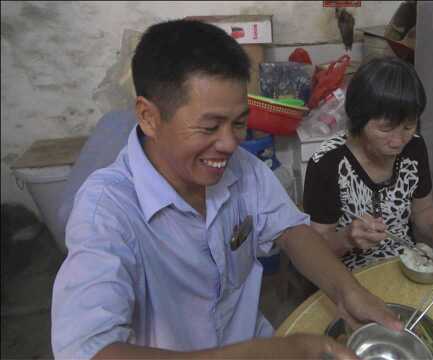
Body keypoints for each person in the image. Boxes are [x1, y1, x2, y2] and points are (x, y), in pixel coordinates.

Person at [51, 20, 402, 359]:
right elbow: (91, 350)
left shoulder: (242, 170)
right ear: (149, 117)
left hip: (254, 341)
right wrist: (257, 355)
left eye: (238, 123)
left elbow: (291, 229)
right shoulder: (106, 212)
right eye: (209, 127)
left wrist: (347, 290)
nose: (230, 144)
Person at [303, 57, 433, 271]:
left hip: (406, 263)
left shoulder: (414, 147)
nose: (398, 142)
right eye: (385, 129)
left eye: (408, 126)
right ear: (359, 119)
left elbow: (424, 211)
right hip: (347, 275)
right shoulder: (327, 163)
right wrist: (346, 239)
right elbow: (313, 250)